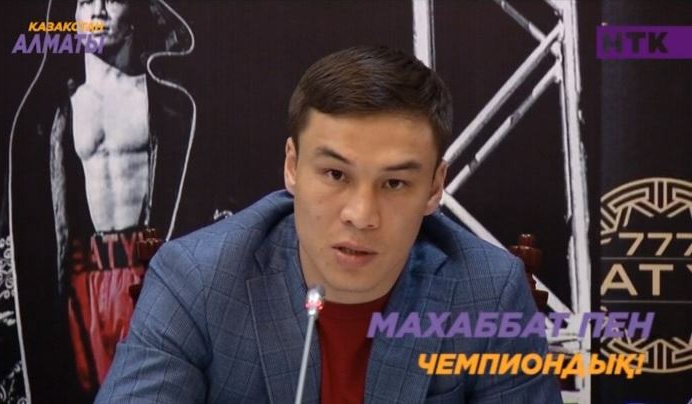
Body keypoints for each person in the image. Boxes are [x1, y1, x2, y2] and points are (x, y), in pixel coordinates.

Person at [96, 45, 562, 403]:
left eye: (395, 183)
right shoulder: (196, 279)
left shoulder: (488, 291)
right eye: (336, 174)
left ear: (435, 188)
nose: (361, 214)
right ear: (292, 167)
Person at [0, 0, 197, 402]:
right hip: (83, 284)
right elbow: (27, 206)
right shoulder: (51, 111)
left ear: (135, 18)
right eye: (85, 2)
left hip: (148, 275)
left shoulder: (169, 101)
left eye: (110, 0)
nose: (96, 11)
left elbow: (194, 190)